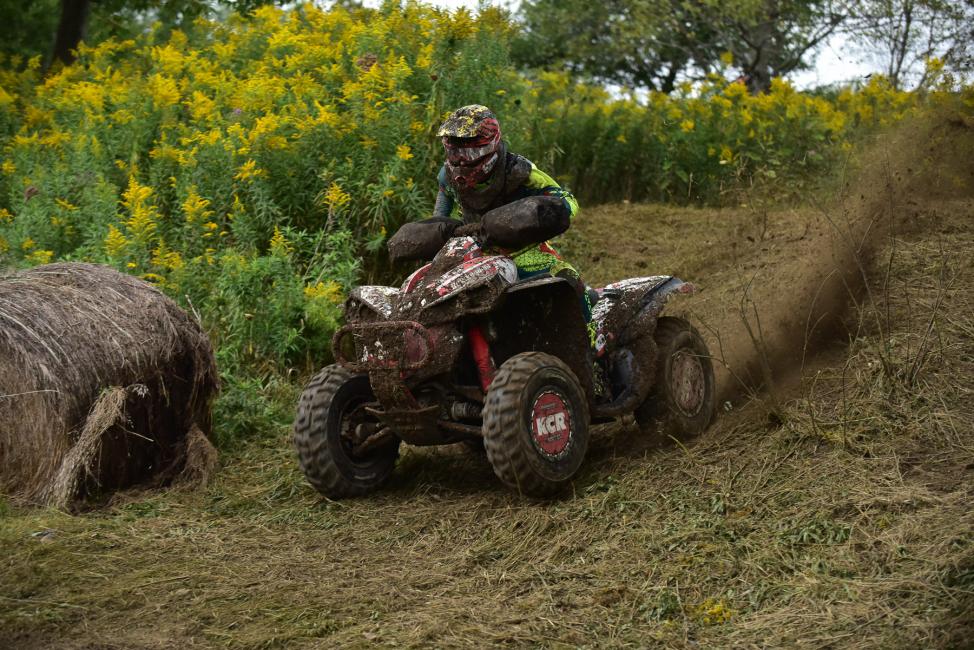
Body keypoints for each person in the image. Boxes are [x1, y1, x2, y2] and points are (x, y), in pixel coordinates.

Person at [388, 104, 590, 319]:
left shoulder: (519, 171)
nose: (461, 159)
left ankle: (589, 334)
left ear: (490, 144)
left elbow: (567, 200)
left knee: (567, 278)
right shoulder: (446, 176)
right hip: (470, 248)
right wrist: (438, 240)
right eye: (454, 151)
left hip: (523, 248)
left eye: (469, 151)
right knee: (426, 290)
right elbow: (440, 217)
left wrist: (540, 214)